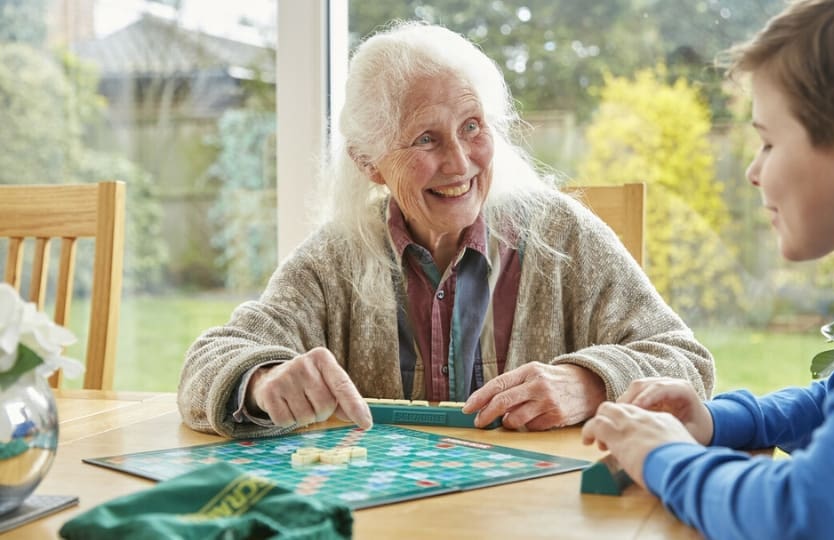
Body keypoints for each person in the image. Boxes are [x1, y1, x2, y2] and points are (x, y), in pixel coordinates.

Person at [178, 21, 714, 439]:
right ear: (369, 162)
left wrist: (591, 383)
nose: (460, 163)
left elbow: (687, 362)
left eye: (472, 127)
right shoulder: (337, 257)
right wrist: (262, 381)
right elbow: (208, 363)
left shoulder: (564, 235)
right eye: (426, 140)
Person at [582, 1, 834, 538]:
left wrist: (662, 456)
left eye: (768, 142)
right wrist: (715, 421)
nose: (753, 171)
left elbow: (808, 514)